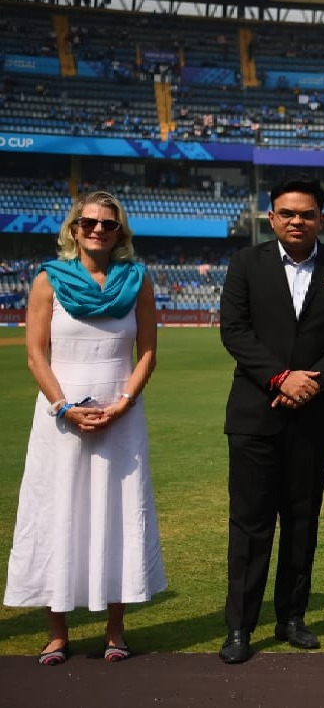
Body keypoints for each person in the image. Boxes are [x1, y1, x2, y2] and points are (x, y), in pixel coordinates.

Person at [4, 191, 164, 665]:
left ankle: (116, 630)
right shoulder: (47, 281)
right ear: (74, 229)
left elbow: (149, 353)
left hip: (122, 412)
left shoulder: (138, 282)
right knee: (59, 512)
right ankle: (57, 633)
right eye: (89, 222)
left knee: (116, 512)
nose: (98, 230)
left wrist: (124, 403)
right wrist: (64, 407)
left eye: (108, 224)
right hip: (60, 416)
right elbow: (35, 354)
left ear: (120, 233)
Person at [218, 176, 324, 664]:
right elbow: (234, 330)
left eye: (306, 214)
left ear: (321, 218)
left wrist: (313, 380)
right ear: (271, 217)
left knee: (301, 520)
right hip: (254, 413)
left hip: (316, 414)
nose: (297, 221)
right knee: (250, 522)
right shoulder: (246, 263)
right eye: (287, 213)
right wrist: (281, 378)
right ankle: (239, 627)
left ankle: (292, 617)